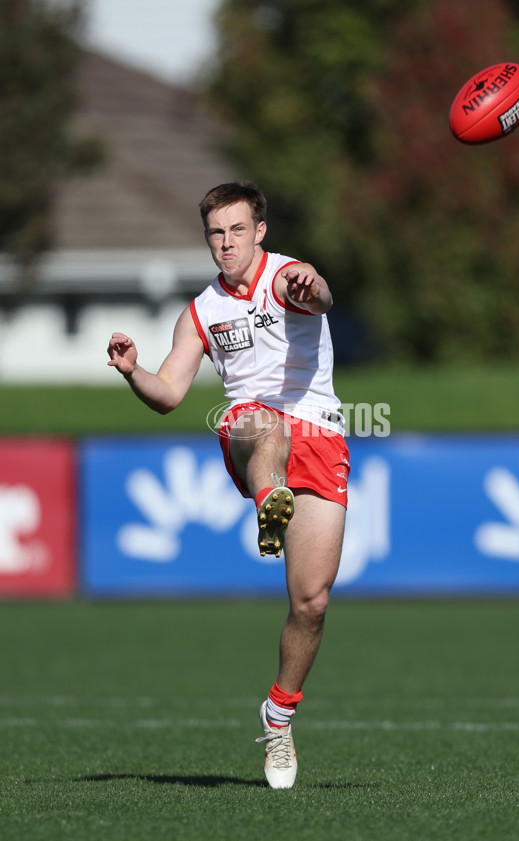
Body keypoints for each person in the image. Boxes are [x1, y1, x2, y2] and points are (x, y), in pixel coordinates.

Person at [107, 181, 349, 789]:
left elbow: (320, 296)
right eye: (216, 232)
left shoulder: (288, 275)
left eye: (237, 230)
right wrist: (134, 371)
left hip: (319, 433)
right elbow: (168, 394)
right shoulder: (202, 311)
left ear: (259, 231)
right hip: (250, 428)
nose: (226, 243)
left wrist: (310, 285)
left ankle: (278, 714)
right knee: (261, 421)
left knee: (311, 603)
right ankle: (271, 501)